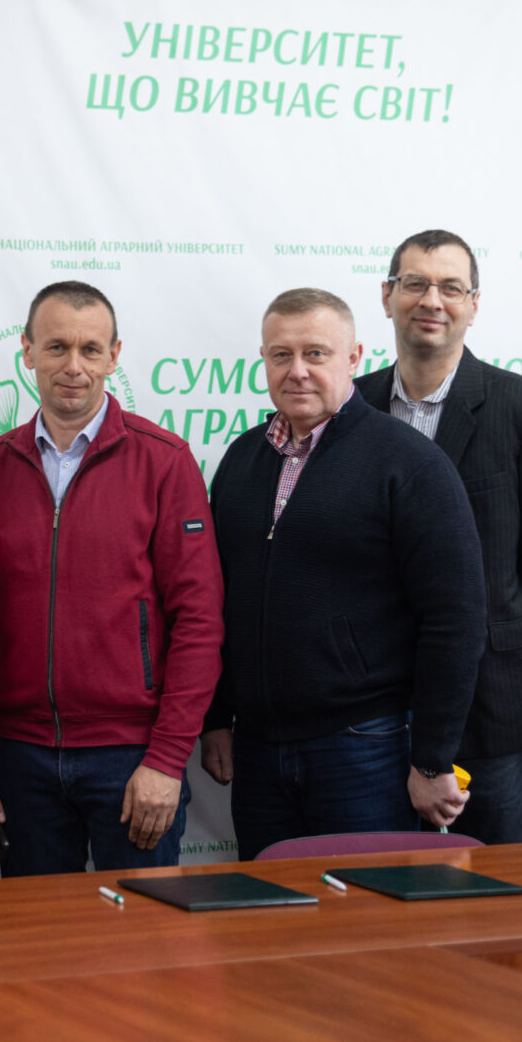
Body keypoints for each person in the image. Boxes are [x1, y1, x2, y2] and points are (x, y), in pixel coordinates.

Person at [200, 288, 486, 860]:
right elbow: (217, 601)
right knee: (268, 908)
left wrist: (432, 759)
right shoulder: (241, 459)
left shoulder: (408, 462)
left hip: (366, 749)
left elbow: (455, 619)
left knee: (369, 909)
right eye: (281, 355)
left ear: (354, 357)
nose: (297, 371)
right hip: (257, 752)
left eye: (316, 353)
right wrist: (216, 718)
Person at [0, 281, 224, 875]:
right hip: (18, 756)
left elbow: (199, 620)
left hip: (131, 756)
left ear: (114, 356)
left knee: (141, 928)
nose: (74, 366)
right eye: (57, 347)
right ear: (27, 352)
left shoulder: (164, 461)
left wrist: (166, 758)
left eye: (90, 349)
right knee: (34, 932)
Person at [355, 229, 522, 845]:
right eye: (415, 283)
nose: (432, 300)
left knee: (494, 887)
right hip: (369, 713)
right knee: (381, 885)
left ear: (474, 304)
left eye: (451, 287)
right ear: (387, 296)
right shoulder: (351, 407)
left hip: (496, 710)